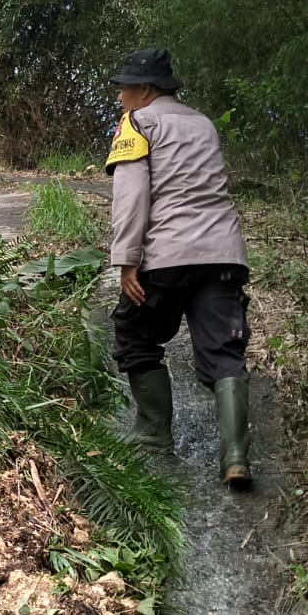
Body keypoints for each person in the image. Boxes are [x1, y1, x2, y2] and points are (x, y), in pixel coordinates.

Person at [103, 48, 252, 487]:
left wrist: (127, 261)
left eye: (125, 88)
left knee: (135, 333)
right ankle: (236, 456)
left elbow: (131, 198)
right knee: (224, 353)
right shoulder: (202, 123)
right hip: (223, 254)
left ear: (145, 90)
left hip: (167, 254)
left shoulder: (138, 123)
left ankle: (152, 434)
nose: (121, 97)